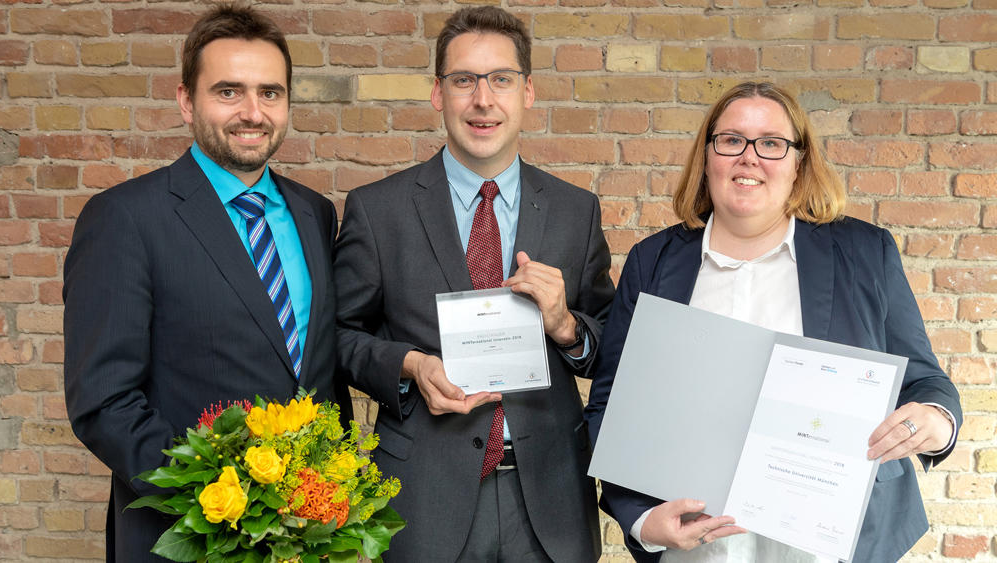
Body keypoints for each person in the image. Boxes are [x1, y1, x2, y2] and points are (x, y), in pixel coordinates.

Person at [584, 81, 961, 563]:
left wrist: (934, 419)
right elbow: (611, 407)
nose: (749, 157)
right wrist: (641, 519)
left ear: (799, 161)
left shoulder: (864, 254)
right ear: (708, 155)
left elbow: (926, 381)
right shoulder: (653, 262)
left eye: (771, 143)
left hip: (837, 544)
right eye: (731, 140)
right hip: (698, 548)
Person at [63, 6, 350, 561]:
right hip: (187, 541)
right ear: (186, 101)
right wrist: (221, 503)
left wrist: (322, 498)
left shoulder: (315, 214)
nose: (252, 112)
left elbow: (315, 372)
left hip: (307, 540)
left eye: (270, 92)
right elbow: (104, 402)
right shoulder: (125, 219)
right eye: (228, 91)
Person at [333, 6, 614, 562]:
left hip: (549, 499)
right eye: (464, 80)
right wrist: (411, 366)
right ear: (439, 94)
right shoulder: (378, 210)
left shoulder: (574, 211)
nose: (483, 100)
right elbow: (338, 338)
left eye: (501, 80)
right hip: (423, 499)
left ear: (527, 91)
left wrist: (565, 327)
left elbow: (609, 342)